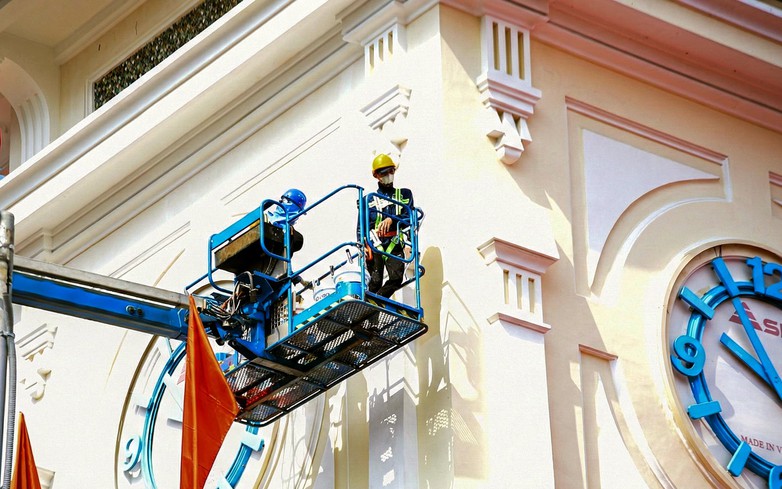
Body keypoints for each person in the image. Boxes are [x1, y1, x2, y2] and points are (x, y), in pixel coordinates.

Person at [366, 154, 414, 298]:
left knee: (396, 278)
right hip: (375, 242)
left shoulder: (404, 194)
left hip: (394, 241)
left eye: (391, 171)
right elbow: (361, 226)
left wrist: (392, 220)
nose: (388, 175)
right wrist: (363, 244)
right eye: (384, 172)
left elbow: (410, 217)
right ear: (376, 176)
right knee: (375, 280)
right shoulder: (368, 200)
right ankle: (370, 312)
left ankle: (375, 302)